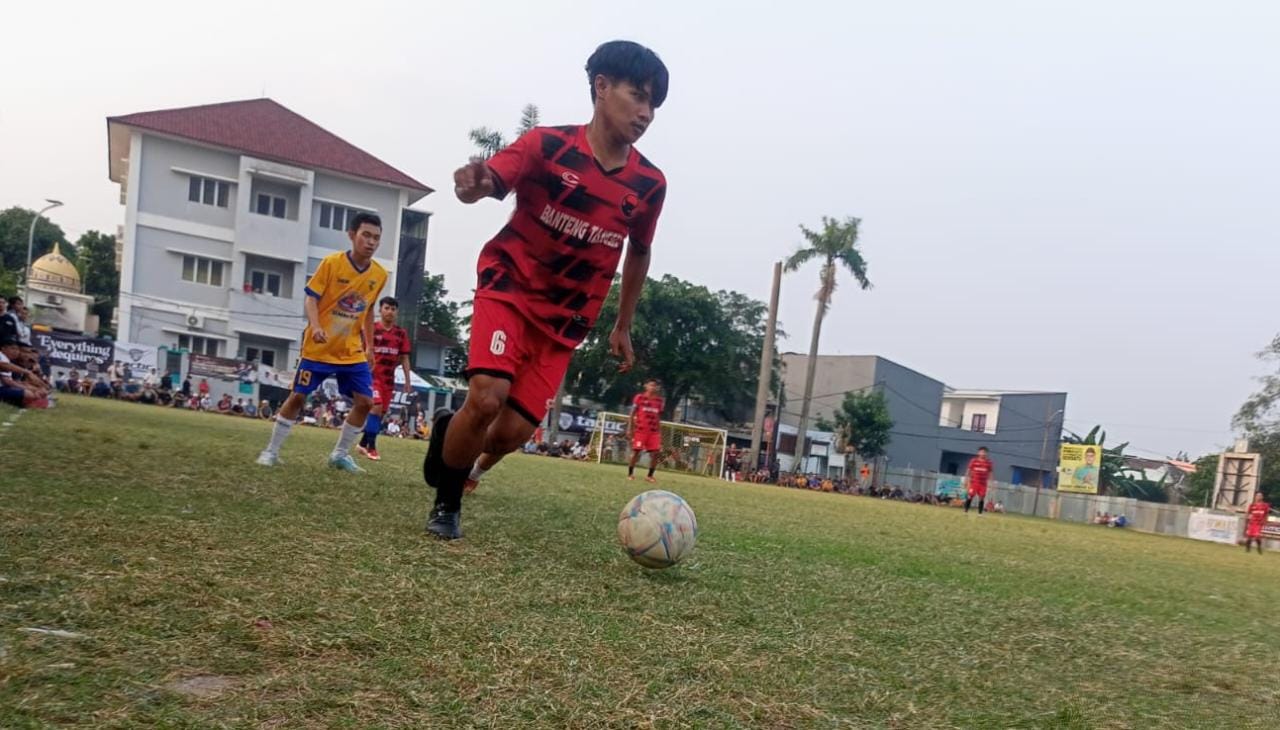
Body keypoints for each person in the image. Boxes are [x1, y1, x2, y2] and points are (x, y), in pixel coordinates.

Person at [421, 41, 669, 539]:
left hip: (565, 320)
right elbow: (494, 178)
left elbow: (638, 252)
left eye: (653, 106)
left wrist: (622, 324)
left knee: (510, 433)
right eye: (637, 96)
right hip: (510, 286)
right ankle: (447, 502)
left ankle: (452, 434)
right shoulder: (547, 145)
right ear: (601, 87)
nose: (645, 113)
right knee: (488, 397)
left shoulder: (648, 184)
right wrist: (474, 184)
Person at [256, 212, 386, 472]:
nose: (371, 242)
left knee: (366, 402)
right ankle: (270, 451)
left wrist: (369, 345)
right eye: (366, 235)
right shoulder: (331, 264)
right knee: (297, 397)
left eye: (376, 238)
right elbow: (311, 298)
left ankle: (339, 454)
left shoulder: (380, 274)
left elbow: (369, 311)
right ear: (352, 235)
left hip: (351, 350)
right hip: (319, 348)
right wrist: (315, 326)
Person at [357, 296, 412, 461]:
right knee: (376, 407)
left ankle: (362, 444)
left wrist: (408, 381)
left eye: (393, 309)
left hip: (388, 380)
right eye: (387, 308)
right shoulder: (371, 329)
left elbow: (404, 358)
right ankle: (372, 448)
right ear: (380, 310)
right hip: (372, 377)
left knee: (380, 414)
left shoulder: (401, 334)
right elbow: (361, 351)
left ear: (397, 312)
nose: (390, 312)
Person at [626, 379, 665, 483]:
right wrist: (630, 428)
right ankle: (630, 473)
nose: (653, 387)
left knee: (656, 453)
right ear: (646, 386)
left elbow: (658, 418)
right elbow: (632, 414)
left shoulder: (659, 401)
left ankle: (650, 475)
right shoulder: (639, 398)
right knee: (636, 452)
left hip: (654, 432)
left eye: (655, 386)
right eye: (651, 385)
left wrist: (659, 432)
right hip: (640, 430)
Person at [964, 447, 994, 514]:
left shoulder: (989, 462)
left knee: (982, 498)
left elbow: (991, 473)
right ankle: (965, 511)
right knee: (970, 496)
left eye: (984, 452)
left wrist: (992, 484)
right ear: (978, 453)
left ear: (987, 453)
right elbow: (968, 470)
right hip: (974, 483)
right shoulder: (974, 461)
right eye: (981, 452)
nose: (983, 454)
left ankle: (980, 514)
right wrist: (966, 480)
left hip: (983, 484)